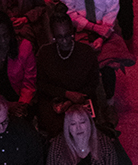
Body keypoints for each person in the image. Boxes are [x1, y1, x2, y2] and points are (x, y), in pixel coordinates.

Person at [58, 0, 131, 101]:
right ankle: (86, 99)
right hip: (81, 28)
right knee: (81, 60)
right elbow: (70, 13)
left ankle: (109, 99)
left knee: (108, 63)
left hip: (105, 26)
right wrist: (93, 28)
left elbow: (112, 10)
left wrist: (101, 37)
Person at [36, 9, 106, 137]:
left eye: (67, 35)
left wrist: (74, 99)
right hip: (55, 99)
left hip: (82, 97)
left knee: (84, 128)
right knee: (58, 129)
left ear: (72, 32)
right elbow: (41, 84)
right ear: (53, 36)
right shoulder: (45, 53)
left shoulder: (86, 52)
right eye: (59, 37)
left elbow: (93, 82)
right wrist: (66, 94)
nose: (64, 41)